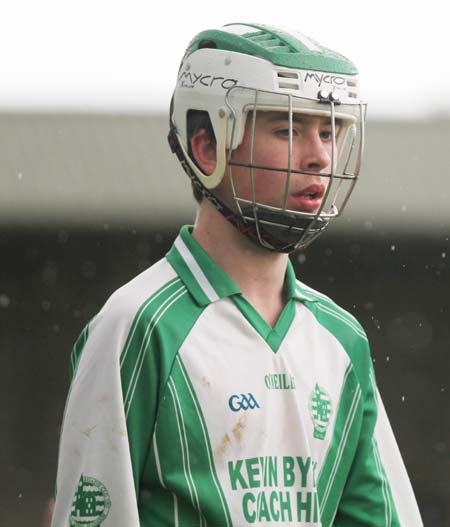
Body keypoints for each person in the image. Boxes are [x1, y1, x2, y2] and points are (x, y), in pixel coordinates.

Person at [51, 23, 423, 527]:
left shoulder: (340, 339)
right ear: (206, 148)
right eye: (287, 129)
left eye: (329, 131)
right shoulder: (135, 326)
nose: (319, 156)